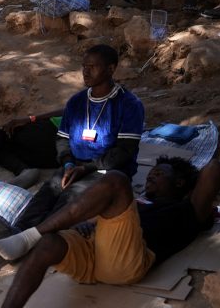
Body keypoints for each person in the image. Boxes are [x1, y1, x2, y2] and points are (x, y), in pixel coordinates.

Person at [0, 157, 220, 308]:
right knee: (50, 244)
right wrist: (89, 224)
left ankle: (28, 236)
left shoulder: (188, 210)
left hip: (126, 261)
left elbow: (214, 168)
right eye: (152, 172)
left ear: (179, 183)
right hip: (93, 253)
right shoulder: (140, 202)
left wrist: (189, 184)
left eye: (159, 173)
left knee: (117, 180)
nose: (151, 176)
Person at [9, 45, 144, 232]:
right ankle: (16, 233)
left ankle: (38, 239)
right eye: (84, 66)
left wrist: (86, 168)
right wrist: (68, 164)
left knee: (69, 199)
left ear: (111, 69)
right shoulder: (77, 101)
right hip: (75, 166)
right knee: (47, 193)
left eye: (92, 67)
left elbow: (124, 151)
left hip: (107, 171)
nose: (85, 72)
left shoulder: (129, 104)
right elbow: (62, 139)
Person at [0, 111, 63, 188]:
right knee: (0, 144)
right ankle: (25, 170)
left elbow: (66, 110)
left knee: (4, 133)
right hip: (56, 156)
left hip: (53, 132)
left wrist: (30, 119)